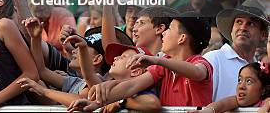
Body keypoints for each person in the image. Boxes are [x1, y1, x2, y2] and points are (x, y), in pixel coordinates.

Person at [71, 12, 213, 108]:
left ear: (182, 38)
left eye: (169, 29)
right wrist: (95, 104)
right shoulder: (162, 66)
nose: (164, 32)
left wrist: (157, 60)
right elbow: (131, 86)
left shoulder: (201, 63)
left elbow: (197, 72)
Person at [204, 0, 269, 101]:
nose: (243, 27)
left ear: (263, 35)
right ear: (231, 30)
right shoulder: (213, 59)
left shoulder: (260, 68)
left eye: (251, 23)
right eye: (239, 22)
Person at [192, 63, 270, 113]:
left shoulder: (266, 103)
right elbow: (222, 104)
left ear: (264, 90)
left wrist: (266, 107)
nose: (241, 86)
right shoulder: (236, 100)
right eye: (239, 80)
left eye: (249, 81)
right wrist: (207, 110)